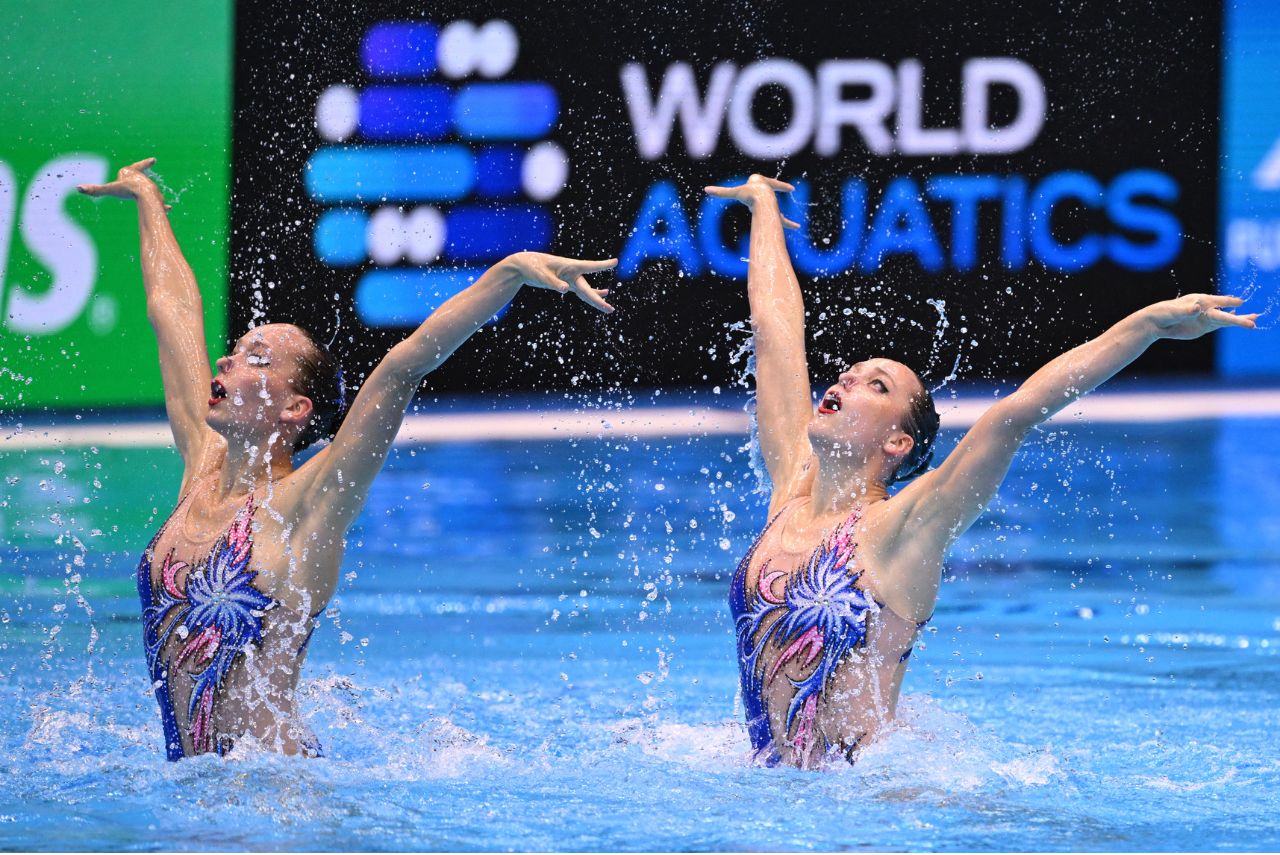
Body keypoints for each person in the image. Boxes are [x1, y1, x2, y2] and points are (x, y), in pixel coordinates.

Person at [704, 174, 1259, 769]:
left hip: (869, 805)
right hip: (779, 793)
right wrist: (763, 206)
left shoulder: (903, 528)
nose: (844, 380)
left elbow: (1014, 415)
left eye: (876, 385)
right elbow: (776, 335)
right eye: (852, 371)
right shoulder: (791, 490)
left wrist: (1144, 327)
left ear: (898, 441)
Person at [79, 158, 618, 760]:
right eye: (232, 353)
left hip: (276, 802)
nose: (226, 363)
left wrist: (509, 274)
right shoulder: (202, 465)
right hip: (198, 791)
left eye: (255, 358)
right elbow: (172, 311)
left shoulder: (310, 500)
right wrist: (147, 199)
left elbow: (402, 368)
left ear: (294, 408)